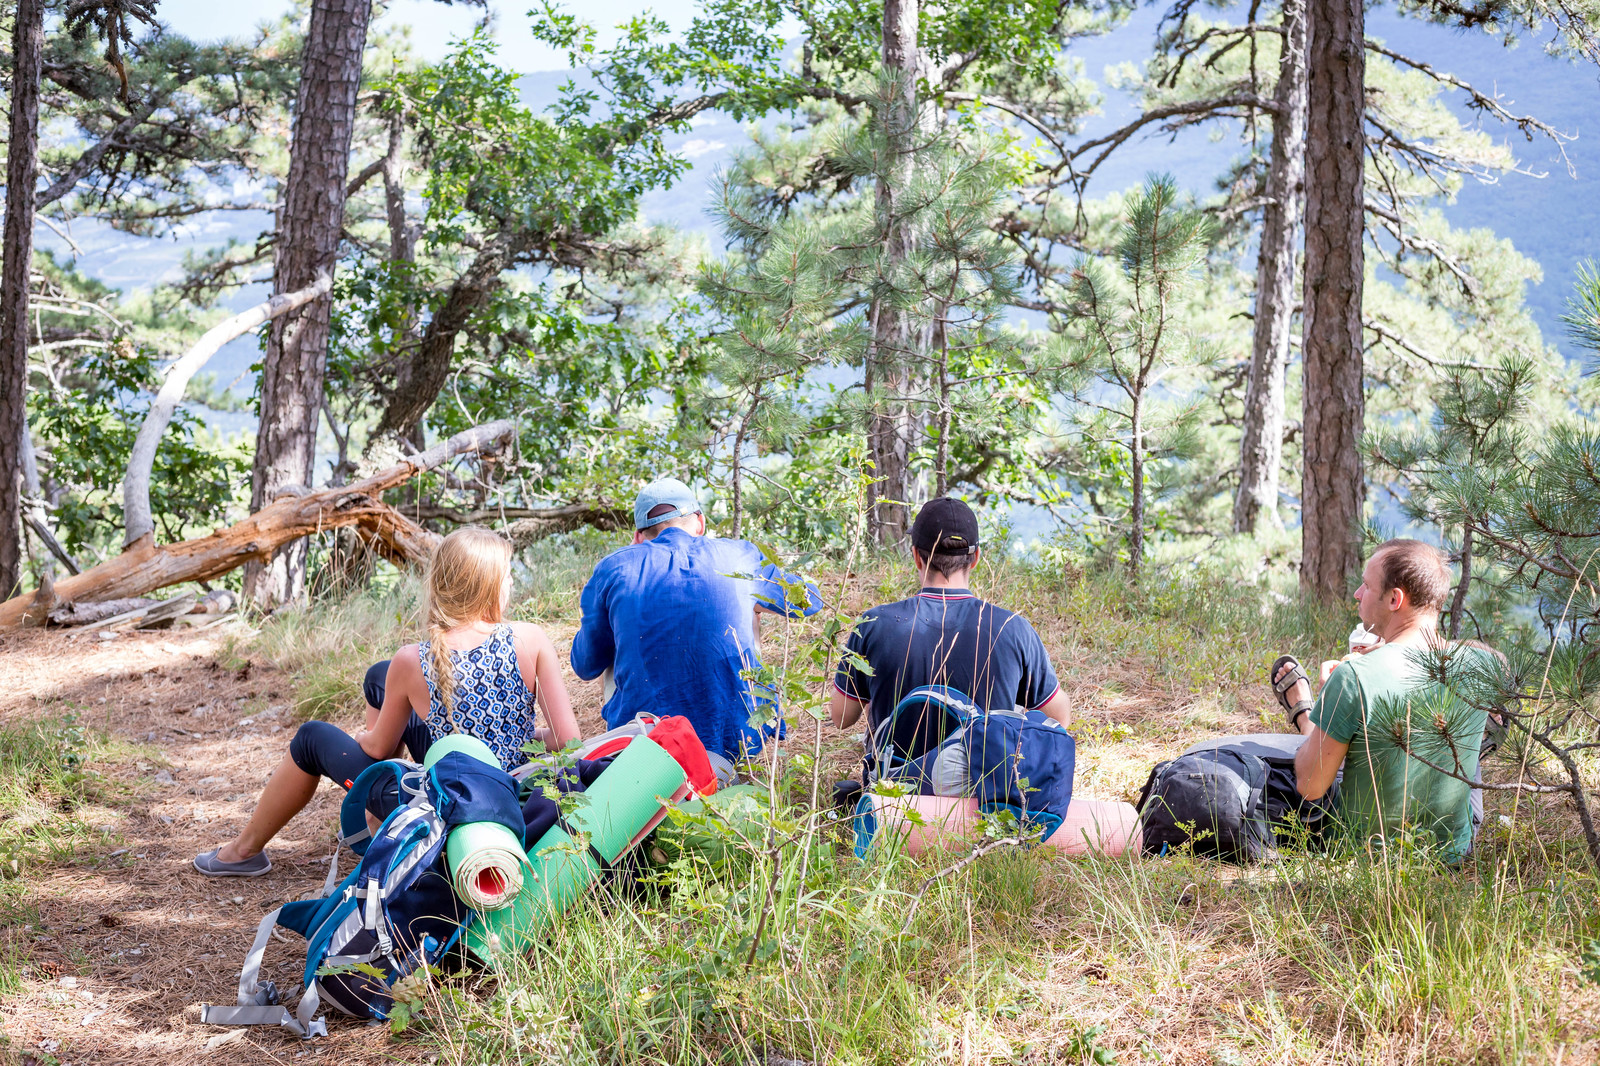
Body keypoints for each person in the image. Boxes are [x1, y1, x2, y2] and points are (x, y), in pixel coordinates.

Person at [195, 527, 580, 877]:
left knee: (312, 738)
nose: (511, 582)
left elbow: (379, 747)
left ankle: (243, 852)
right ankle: (374, 824)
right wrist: (515, 737)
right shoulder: (531, 639)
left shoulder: (414, 659)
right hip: (511, 793)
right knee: (378, 676)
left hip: (445, 809)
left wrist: (364, 738)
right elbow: (567, 739)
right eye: (508, 575)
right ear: (492, 586)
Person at [1272, 538, 1497, 862]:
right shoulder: (1485, 666)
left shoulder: (1353, 677)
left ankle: (1308, 717)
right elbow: (1494, 659)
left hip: (1366, 863)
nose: (1357, 594)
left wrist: (1333, 692)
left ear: (1395, 599)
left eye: (1365, 585)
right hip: (1453, 856)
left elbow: (1310, 786)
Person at [830, 497, 1072, 794]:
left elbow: (841, 717)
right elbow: (1059, 719)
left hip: (894, 800)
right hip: (984, 802)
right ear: (976, 558)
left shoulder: (874, 623)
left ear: (917, 556)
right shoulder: (1013, 629)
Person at [570, 477, 822, 761]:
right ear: (700, 522)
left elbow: (585, 665)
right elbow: (809, 602)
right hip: (734, 740)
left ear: (638, 536)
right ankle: (739, 743)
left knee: (617, 632)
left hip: (645, 741)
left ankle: (635, 738)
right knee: (749, 605)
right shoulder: (740, 555)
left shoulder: (614, 566)